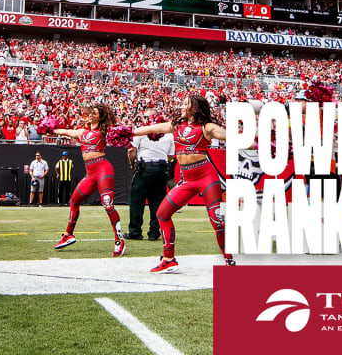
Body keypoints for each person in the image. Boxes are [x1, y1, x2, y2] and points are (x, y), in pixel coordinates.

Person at [132, 94, 233, 273]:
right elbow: (149, 129)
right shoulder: (175, 125)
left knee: (217, 221)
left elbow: (233, 137)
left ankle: (229, 259)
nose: (181, 105)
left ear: (195, 108)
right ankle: (169, 259)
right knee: (162, 214)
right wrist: (123, 132)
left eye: (185, 103)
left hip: (206, 177)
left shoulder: (207, 127)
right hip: (187, 180)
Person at [48, 104, 125, 257]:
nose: (90, 115)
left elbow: (123, 132)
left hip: (103, 169)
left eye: (94, 113)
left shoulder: (105, 131)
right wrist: (49, 129)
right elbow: (65, 132)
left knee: (108, 204)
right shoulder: (82, 132)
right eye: (90, 113)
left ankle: (119, 241)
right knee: (74, 201)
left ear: (101, 117)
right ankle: (69, 234)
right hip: (90, 173)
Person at [126, 110, 173, 241]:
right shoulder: (168, 134)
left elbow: (131, 151)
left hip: (144, 168)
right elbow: (170, 156)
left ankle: (135, 231)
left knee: (137, 200)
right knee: (157, 202)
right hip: (161, 168)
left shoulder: (141, 130)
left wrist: (132, 164)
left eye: (145, 116)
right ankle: (154, 232)